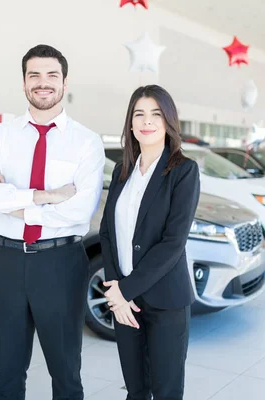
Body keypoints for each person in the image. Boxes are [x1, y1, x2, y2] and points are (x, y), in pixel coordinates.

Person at [0, 44, 105, 400]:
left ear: (64, 82)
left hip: (59, 262)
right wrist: (44, 196)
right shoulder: (1, 135)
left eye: (51, 75)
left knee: (65, 371)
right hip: (6, 261)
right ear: (24, 82)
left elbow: (78, 211)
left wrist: (10, 199)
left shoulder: (86, 142)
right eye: (34, 75)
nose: (43, 83)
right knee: (9, 369)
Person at [99, 85, 200, 400]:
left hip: (166, 300)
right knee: (136, 389)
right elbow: (107, 233)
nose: (147, 121)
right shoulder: (121, 172)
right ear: (130, 123)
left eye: (156, 113)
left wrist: (125, 291)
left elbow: (173, 243)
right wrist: (116, 288)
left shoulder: (184, 171)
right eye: (139, 114)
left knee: (166, 391)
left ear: (169, 121)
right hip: (124, 301)